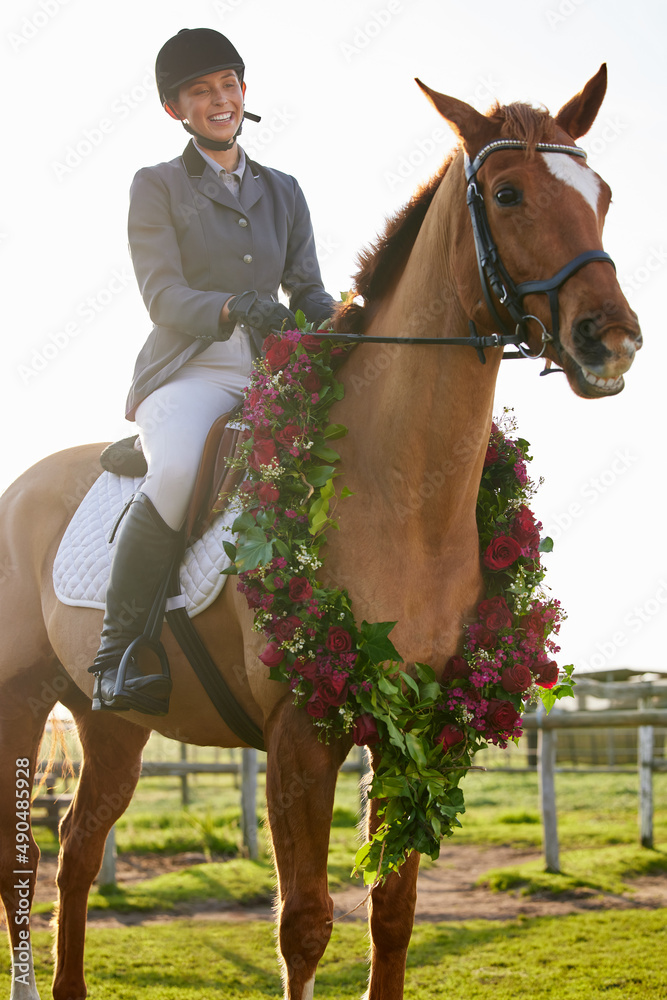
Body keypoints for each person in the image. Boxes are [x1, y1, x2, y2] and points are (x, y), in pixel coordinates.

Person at [89, 27, 334, 715]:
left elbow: (307, 288)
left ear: (243, 93)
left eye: (228, 84)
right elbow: (160, 295)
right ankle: (117, 653)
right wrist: (233, 306)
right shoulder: (157, 186)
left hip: (271, 373)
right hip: (190, 369)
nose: (219, 98)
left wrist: (337, 314)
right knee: (172, 473)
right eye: (201, 91)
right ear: (178, 110)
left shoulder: (284, 190)